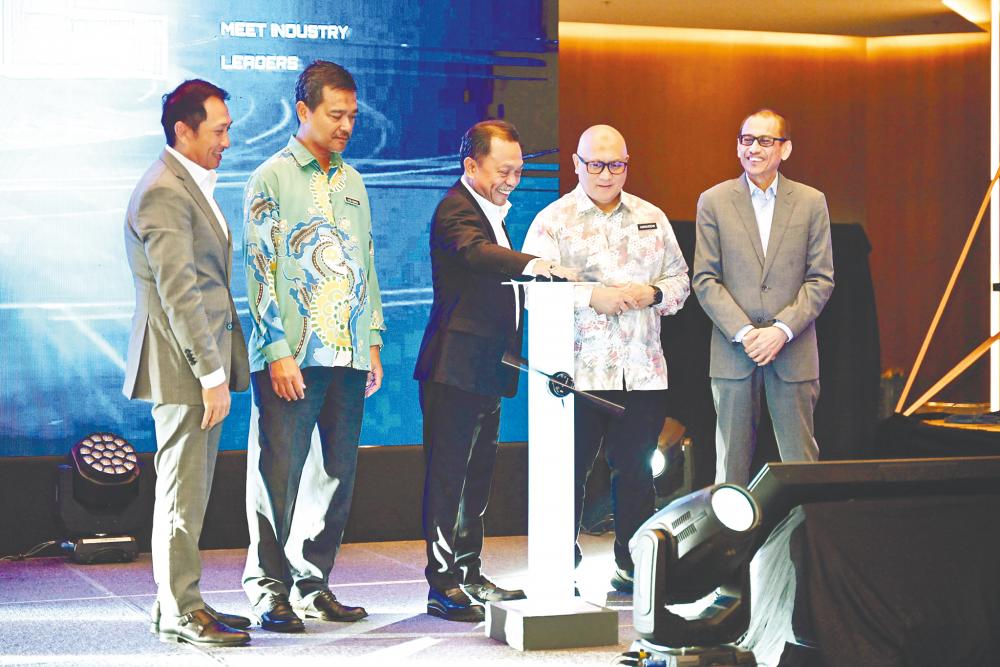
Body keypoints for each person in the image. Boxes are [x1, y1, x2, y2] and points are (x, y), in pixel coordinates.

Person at [242, 60, 385, 632]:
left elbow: (366, 263)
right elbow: (260, 268)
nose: (346, 125)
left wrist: (372, 339)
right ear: (303, 112)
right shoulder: (271, 177)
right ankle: (268, 587)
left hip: (348, 352)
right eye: (335, 114)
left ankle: (311, 580)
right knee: (278, 471)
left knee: (334, 472)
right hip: (293, 355)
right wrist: (275, 349)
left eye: (352, 115)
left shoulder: (353, 181)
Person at [413, 119, 574, 622]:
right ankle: (442, 584)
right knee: (448, 477)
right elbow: (475, 254)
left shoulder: (493, 210)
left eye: (519, 169)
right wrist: (534, 264)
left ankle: (468, 570)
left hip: (487, 367)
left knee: (476, 477)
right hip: (454, 368)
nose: (513, 179)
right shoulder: (455, 210)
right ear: (471, 165)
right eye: (503, 170)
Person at [522, 124, 690, 594]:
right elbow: (532, 293)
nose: (605, 173)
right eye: (595, 164)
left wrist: (653, 291)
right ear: (576, 164)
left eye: (615, 164)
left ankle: (632, 564)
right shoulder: (552, 221)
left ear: (627, 165)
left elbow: (681, 281)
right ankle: (560, 568)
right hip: (575, 373)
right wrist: (590, 297)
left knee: (636, 472)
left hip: (642, 371)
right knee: (568, 473)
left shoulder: (652, 217)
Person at [123, 79, 252, 647]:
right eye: (219, 130)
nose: (227, 140)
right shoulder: (165, 191)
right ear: (184, 129)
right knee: (180, 489)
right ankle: (180, 609)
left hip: (195, 363)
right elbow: (182, 294)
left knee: (189, 488)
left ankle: (175, 602)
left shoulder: (185, 183)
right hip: (185, 367)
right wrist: (211, 374)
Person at [692, 109, 834, 487]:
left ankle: (804, 544)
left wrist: (781, 331)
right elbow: (705, 279)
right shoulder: (714, 200)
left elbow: (821, 279)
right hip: (733, 351)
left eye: (764, 140)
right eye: (746, 139)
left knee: (801, 464)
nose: (753, 148)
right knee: (730, 468)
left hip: (793, 350)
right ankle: (729, 546)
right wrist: (746, 332)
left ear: (785, 149)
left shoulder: (810, 201)